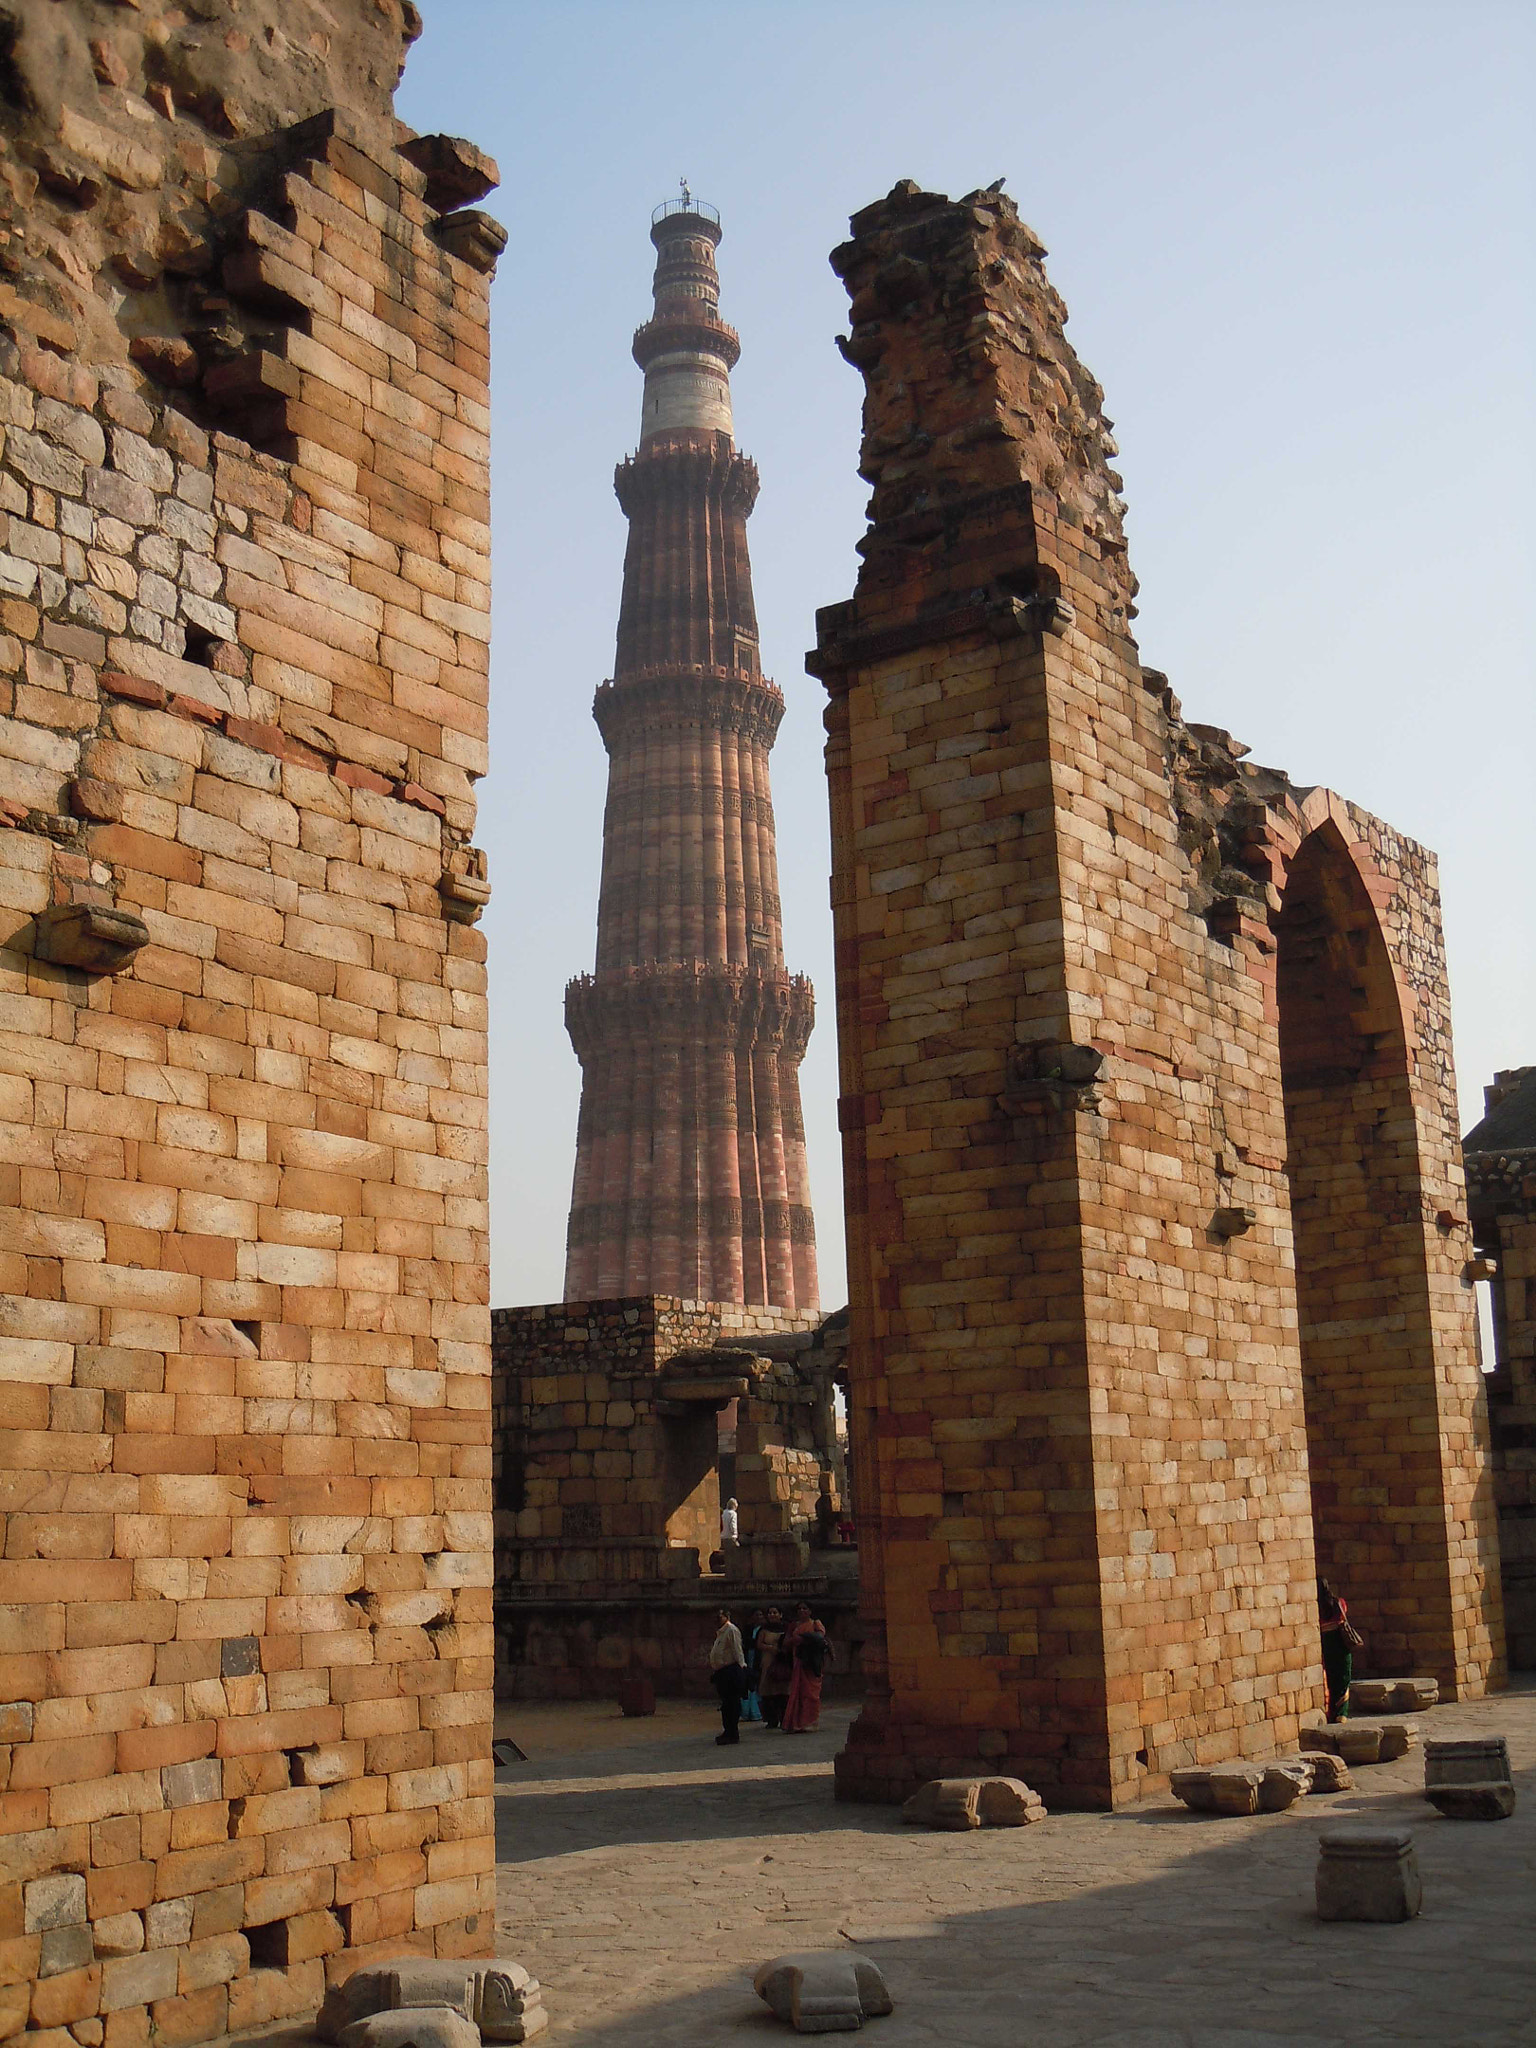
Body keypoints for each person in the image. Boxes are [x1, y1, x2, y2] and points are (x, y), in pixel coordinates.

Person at [781, 1603, 831, 1734]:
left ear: (810, 1611)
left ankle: (810, 1721)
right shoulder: (794, 1626)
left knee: (811, 1693)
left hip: (812, 1662)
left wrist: (804, 1639)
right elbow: (786, 1642)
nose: (802, 1611)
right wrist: (794, 1640)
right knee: (798, 1692)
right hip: (798, 1660)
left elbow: (820, 1637)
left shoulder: (815, 1624)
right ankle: (797, 1722)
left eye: (805, 1608)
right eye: (799, 1609)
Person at [1318, 1576, 1357, 1723]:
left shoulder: (1316, 1607)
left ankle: (1331, 1712)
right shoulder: (1338, 1603)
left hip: (1326, 1645)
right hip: (1340, 1644)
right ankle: (1342, 1713)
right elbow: (1343, 1615)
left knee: (1331, 1679)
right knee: (1343, 1678)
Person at [707, 1607, 747, 1745]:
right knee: (726, 1704)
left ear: (727, 1616)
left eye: (719, 1617)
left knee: (731, 1703)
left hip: (731, 1671)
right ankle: (728, 1731)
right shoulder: (721, 1632)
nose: (717, 1620)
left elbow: (737, 1650)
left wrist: (742, 1667)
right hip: (722, 1672)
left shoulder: (731, 1630)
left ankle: (732, 1732)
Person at [756, 1605, 792, 1729]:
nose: (772, 1615)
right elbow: (759, 1644)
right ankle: (771, 1719)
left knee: (783, 1691)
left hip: (782, 1662)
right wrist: (771, 1648)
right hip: (767, 1661)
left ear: (780, 1614)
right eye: (770, 1613)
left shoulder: (786, 1628)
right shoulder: (764, 1629)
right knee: (768, 1691)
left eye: (775, 1612)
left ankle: (784, 1718)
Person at [741, 1608, 766, 1723]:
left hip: (759, 1659)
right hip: (749, 1658)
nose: (759, 1617)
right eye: (757, 1615)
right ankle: (747, 1712)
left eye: (761, 1615)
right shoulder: (748, 1629)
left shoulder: (764, 1629)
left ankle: (757, 1712)